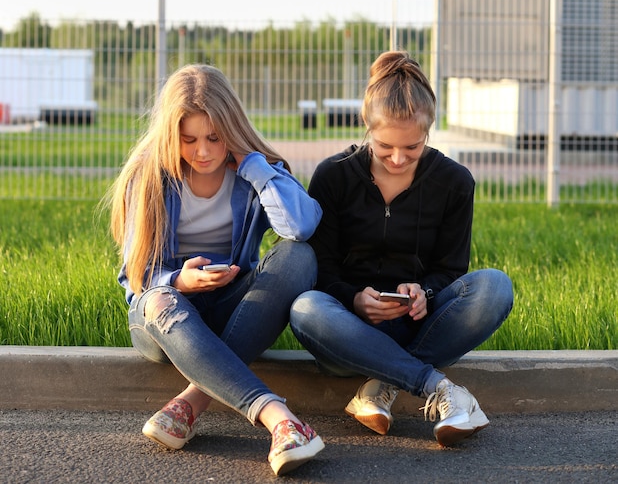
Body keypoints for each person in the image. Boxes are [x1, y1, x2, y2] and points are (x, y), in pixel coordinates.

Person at [106, 64, 325, 476]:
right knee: (160, 299)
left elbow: (300, 227)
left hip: (227, 304)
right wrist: (179, 281)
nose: (203, 151)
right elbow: (135, 277)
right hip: (163, 316)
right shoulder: (148, 177)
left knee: (299, 258)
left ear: (233, 130)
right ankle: (280, 419)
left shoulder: (252, 171)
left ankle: (191, 402)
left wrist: (253, 166)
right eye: (188, 139)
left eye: (215, 137)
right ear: (171, 135)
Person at [289, 50, 514, 448]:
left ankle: (381, 384)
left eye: (412, 147)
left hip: (416, 322)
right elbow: (319, 267)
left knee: (494, 287)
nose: (397, 158)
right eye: (384, 146)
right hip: (347, 329)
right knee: (305, 309)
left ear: (429, 130)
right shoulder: (333, 176)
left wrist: (422, 291)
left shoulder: (455, 182)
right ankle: (436, 386)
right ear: (366, 126)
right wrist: (355, 300)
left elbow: (451, 269)